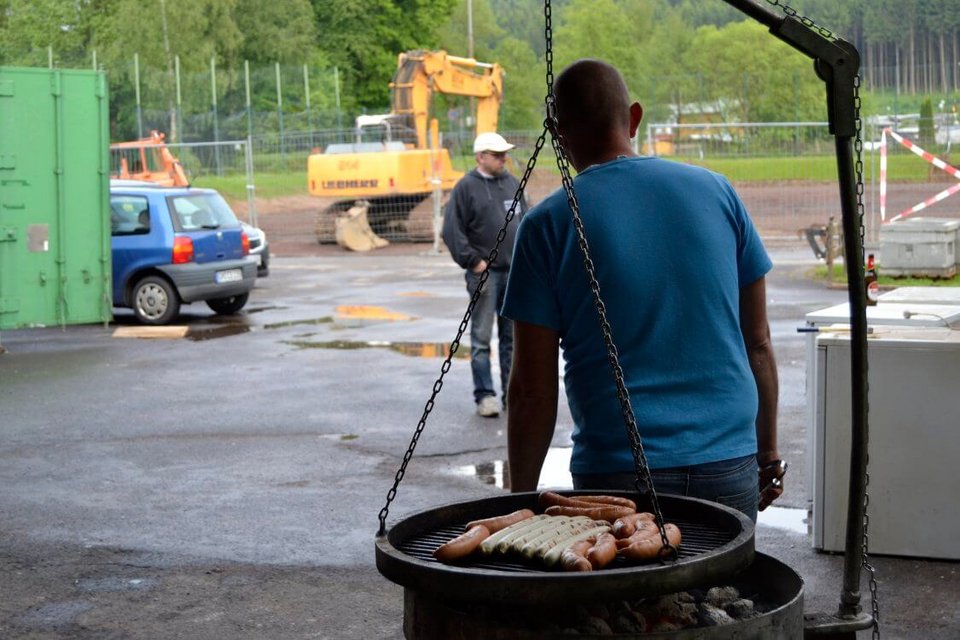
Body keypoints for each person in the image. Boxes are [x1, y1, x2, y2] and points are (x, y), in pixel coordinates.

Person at [501, 60, 783, 522]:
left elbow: (532, 390)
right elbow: (758, 342)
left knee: (628, 593)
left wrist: (519, 501)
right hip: (728, 463)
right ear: (634, 117)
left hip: (616, 474)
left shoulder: (547, 225)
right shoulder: (718, 192)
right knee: (721, 594)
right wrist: (767, 451)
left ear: (557, 132)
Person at [443, 132, 528, 418]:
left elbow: (525, 222)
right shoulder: (466, 188)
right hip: (485, 275)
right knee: (481, 338)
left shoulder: (512, 184)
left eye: (505, 153)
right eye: (497, 154)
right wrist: (474, 262)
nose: (504, 158)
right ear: (481, 157)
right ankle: (485, 396)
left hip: (514, 274)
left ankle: (511, 394)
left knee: (511, 339)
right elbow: (452, 231)